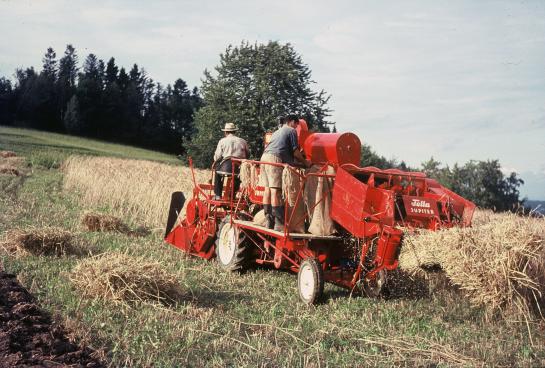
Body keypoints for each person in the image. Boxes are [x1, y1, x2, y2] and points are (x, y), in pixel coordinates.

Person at [260, 114, 311, 230]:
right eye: (296, 124)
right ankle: (279, 223)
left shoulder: (277, 132)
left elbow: (282, 149)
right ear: (293, 122)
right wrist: (305, 162)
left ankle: (269, 220)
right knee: (276, 191)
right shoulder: (291, 131)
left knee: (267, 189)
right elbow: (295, 152)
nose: (296, 127)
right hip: (275, 159)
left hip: (264, 158)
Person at [213, 122, 249, 200]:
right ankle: (232, 195)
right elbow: (247, 155)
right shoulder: (243, 141)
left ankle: (218, 195)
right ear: (235, 131)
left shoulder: (222, 141)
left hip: (225, 167)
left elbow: (217, 157)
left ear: (225, 132)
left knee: (217, 172)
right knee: (237, 176)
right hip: (239, 168)